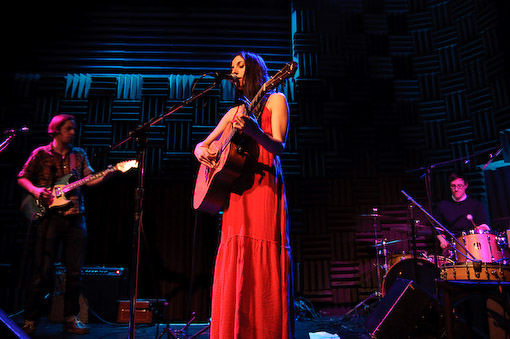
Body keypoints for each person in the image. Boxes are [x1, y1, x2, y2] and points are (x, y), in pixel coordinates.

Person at [194, 51, 294, 338]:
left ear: (253, 69)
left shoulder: (276, 99)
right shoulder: (236, 112)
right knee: (236, 257)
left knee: (261, 256)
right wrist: (202, 151)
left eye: (240, 65)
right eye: (232, 67)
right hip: (236, 192)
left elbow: (278, 147)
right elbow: (203, 144)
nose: (234, 71)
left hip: (263, 188)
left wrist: (255, 133)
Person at [18, 114, 103, 335]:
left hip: (76, 218)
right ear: (55, 130)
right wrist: (36, 190)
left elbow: (90, 179)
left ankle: (70, 318)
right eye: (68, 129)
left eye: (74, 129)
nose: (73, 133)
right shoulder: (41, 153)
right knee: (42, 272)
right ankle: (30, 318)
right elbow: (22, 177)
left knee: (75, 273)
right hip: (49, 219)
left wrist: (110, 172)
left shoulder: (79, 155)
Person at [434, 172, 491, 253]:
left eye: (459, 186)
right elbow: (438, 229)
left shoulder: (476, 204)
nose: (456, 189)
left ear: (465, 185)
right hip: (452, 246)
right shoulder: (442, 206)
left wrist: (481, 228)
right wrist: (442, 240)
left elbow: (484, 225)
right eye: (453, 186)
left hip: (473, 245)